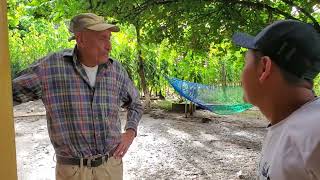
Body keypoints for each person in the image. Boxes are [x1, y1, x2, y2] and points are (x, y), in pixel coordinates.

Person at [12, 13, 143, 180]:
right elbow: (8, 93)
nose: (109, 46)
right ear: (81, 40)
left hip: (111, 167)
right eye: (103, 38)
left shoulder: (115, 69)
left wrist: (130, 132)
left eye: (109, 38)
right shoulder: (50, 68)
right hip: (72, 172)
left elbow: (135, 104)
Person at [232, 20, 320, 180]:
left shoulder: (314, 132)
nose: (241, 75)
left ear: (264, 68)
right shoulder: (290, 124)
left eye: (246, 63)